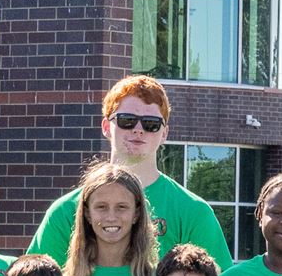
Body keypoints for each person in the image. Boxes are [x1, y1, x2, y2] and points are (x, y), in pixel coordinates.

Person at [28, 75, 232, 263]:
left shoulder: (193, 212)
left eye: (151, 124)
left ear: (164, 133)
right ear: (106, 127)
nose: (138, 129)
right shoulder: (66, 211)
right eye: (127, 120)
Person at [57, 163, 157, 276]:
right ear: (87, 214)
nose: (111, 217)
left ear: (136, 214)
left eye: (121, 207)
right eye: (101, 207)